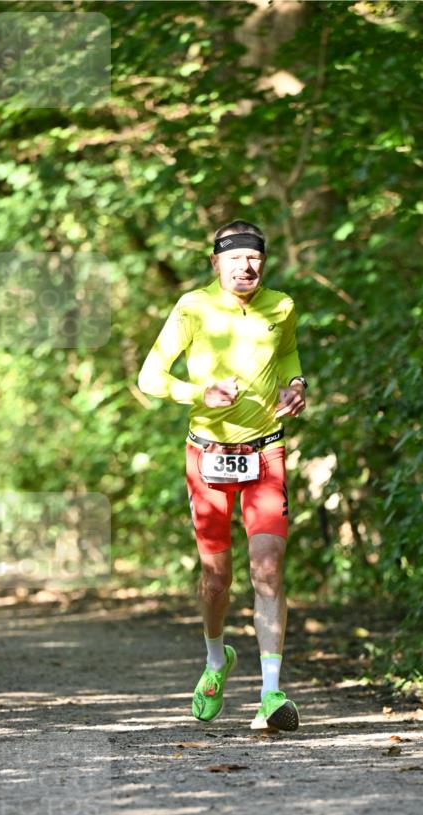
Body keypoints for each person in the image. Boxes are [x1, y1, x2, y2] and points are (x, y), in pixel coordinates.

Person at [137, 220, 307, 732]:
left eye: (254, 258)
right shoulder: (192, 307)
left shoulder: (282, 306)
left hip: (266, 453)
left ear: (264, 262)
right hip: (207, 456)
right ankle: (216, 660)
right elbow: (150, 376)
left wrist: (296, 384)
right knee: (216, 579)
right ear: (216, 263)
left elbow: (288, 353)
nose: (245, 267)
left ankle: (271, 694)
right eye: (234, 258)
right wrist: (200, 393)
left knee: (268, 570)